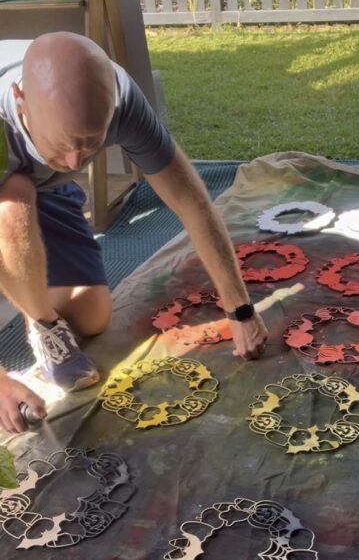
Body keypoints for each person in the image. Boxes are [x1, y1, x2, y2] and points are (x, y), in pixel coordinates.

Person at [0, 32, 268, 433]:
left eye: (90, 144)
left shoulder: (120, 97)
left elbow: (191, 202)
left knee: (90, 317)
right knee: (14, 199)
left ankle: (32, 299)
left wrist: (240, 310)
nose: (76, 160)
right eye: (64, 145)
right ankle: (40, 318)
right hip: (9, 188)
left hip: (49, 188)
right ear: (21, 102)